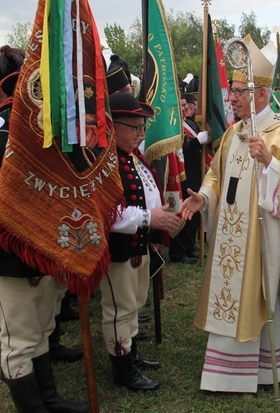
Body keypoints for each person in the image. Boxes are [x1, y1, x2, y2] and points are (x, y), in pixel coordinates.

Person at [179, 35, 280, 393]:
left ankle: (264, 369)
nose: (231, 98)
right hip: (231, 236)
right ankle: (225, 373)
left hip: (264, 237)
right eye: (232, 91)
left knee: (263, 295)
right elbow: (218, 175)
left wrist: (272, 165)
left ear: (260, 94)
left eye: (238, 91)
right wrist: (203, 197)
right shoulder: (233, 134)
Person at [0, 45, 88, 412]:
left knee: (42, 330)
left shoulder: (46, 148)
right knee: (18, 340)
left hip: (41, 257)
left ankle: (48, 399)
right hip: (6, 262)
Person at [103, 92, 182, 392]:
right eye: (134, 127)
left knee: (134, 303)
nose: (140, 133)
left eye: (142, 127)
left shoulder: (132, 157)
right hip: (118, 249)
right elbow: (107, 213)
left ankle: (131, 356)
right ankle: (122, 369)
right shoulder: (105, 161)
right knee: (119, 308)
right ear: (113, 125)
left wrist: (152, 231)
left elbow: (146, 196)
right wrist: (151, 219)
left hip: (139, 244)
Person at [169, 92, 209, 264]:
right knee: (182, 213)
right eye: (181, 104)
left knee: (194, 215)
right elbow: (177, 151)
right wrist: (195, 142)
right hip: (181, 177)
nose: (185, 107)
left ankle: (190, 245)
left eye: (186, 104)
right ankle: (178, 252)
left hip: (195, 174)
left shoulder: (189, 123)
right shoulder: (172, 126)